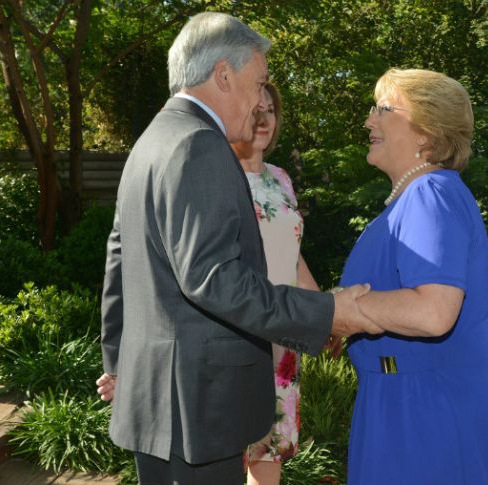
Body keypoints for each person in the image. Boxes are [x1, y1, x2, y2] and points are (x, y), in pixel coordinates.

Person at [94, 13, 380, 485]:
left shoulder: (151, 141)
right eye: (258, 81)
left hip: (160, 403)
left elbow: (119, 259)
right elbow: (215, 279)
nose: (260, 100)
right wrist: (326, 312)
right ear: (224, 75)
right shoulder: (200, 146)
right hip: (200, 406)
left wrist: (120, 363)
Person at [339, 68, 488, 484]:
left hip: (427, 412)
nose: (368, 121)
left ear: (426, 133)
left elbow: (434, 311)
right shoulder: (410, 202)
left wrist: (349, 308)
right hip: (403, 401)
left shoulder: (429, 193)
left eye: (382, 109)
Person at [230, 82, 317, 485]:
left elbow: (290, 250)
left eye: (271, 110)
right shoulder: (217, 178)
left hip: (282, 338)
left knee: (268, 461)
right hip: (234, 332)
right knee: (226, 455)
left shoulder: (281, 178)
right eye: (255, 109)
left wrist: (322, 311)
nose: (264, 119)